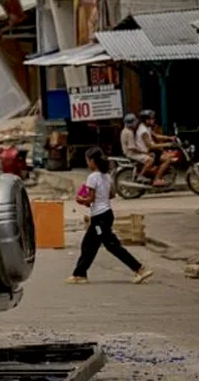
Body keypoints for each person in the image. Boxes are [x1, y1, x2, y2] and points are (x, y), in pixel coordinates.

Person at [67, 147, 154, 285]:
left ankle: (139, 268)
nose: (87, 164)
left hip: (99, 217)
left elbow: (90, 199)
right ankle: (79, 273)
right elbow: (112, 194)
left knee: (110, 245)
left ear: (92, 161)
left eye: (88, 161)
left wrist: (80, 199)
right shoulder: (107, 176)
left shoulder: (92, 177)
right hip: (106, 214)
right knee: (90, 244)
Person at [136, 109, 173, 186]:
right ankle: (157, 179)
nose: (153, 120)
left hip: (151, 151)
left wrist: (169, 137)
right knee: (167, 159)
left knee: (166, 154)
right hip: (147, 152)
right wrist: (167, 144)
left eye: (153, 118)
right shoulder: (143, 131)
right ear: (146, 120)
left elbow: (156, 136)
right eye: (151, 119)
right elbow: (150, 145)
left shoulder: (147, 127)